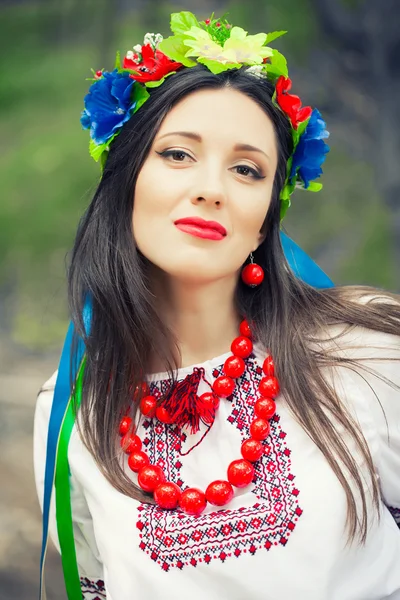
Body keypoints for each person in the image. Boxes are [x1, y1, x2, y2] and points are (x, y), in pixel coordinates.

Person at [34, 11, 400, 600]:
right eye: (178, 154)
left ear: (262, 226)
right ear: (126, 181)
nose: (211, 188)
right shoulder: (71, 411)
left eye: (246, 169)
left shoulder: (365, 351)